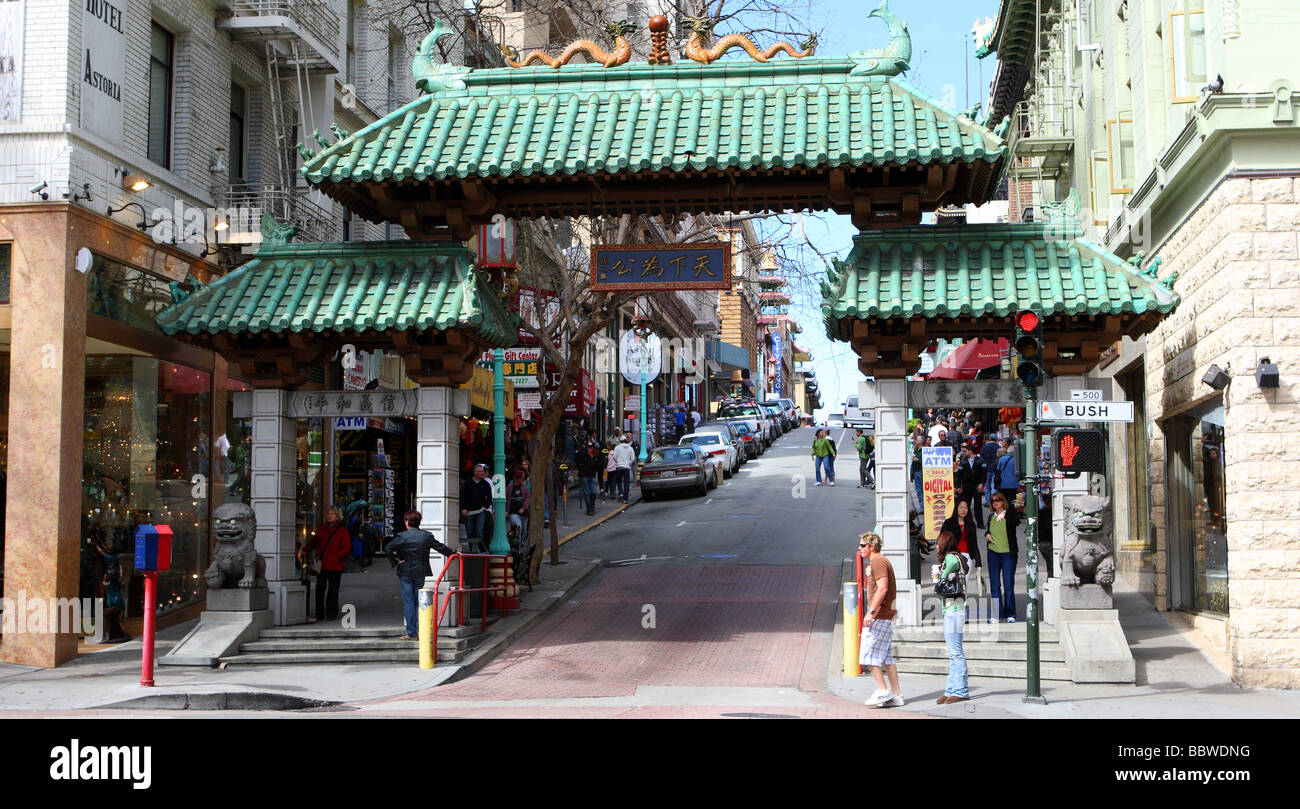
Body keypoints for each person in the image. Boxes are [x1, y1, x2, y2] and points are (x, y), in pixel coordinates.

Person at [385, 509, 456, 639]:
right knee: (420, 601)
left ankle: (412, 632)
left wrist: (395, 561)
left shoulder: (402, 536)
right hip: (420, 571)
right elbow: (441, 548)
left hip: (405, 570)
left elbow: (388, 548)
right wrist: (454, 553)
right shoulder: (426, 536)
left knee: (409, 601)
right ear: (419, 522)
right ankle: (421, 631)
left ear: (406, 522)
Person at [859, 532, 904, 707]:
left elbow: (883, 588)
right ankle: (897, 695)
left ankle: (883, 690)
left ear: (872, 546)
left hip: (880, 615)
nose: (860, 549)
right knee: (887, 657)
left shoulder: (877, 561)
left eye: (863, 545)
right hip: (885, 614)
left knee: (868, 655)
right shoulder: (879, 562)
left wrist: (871, 612)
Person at [934, 530, 970, 703]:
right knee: (953, 652)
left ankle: (960, 690)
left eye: (938, 542)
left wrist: (937, 575)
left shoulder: (950, 558)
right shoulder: (958, 557)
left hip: (953, 610)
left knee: (955, 652)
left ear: (944, 543)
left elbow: (941, 578)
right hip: (955, 609)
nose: (936, 546)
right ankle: (951, 689)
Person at [300, 505, 350, 622]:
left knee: (333, 590)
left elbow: (346, 548)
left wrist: (339, 556)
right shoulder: (322, 529)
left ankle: (331, 614)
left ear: (337, 517)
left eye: (332, 514)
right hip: (322, 565)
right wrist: (304, 550)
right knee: (320, 588)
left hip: (335, 565)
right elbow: (314, 542)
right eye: (328, 513)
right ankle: (319, 614)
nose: (329, 516)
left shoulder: (342, 531)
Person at [985, 492, 1019, 622]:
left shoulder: (1009, 515)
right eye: (993, 501)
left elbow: (1016, 521)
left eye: (998, 500)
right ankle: (996, 615)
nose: (995, 502)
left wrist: (1005, 512)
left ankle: (1010, 613)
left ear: (1003, 501)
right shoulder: (990, 517)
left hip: (1008, 554)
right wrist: (987, 535)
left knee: (1008, 584)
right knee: (995, 585)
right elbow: (989, 531)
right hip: (993, 553)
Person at [940, 498, 982, 594]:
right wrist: (942, 557)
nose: (963, 510)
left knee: (963, 586)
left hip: (966, 558)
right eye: (961, 507)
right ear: (956, 508)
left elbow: (974, 543)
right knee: (951, 584)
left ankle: (962, 606)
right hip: (952, 557)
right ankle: (952, 606)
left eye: (966, 508)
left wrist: (978, 561)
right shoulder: (949, 523)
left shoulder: (971, 524)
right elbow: (942, 540)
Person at [459, 464, 494, 547]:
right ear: (475, 472)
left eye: (483, 471)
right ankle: (471, 549)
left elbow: (489, 497)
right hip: (469, 512)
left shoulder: (486, 484)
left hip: (481, 511)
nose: (483, 473)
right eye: (480, 471)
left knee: (479, 532)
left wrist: (486, 506)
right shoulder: (467, 483)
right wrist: (463, 508)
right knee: (470, 531)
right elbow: (462, 496)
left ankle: (478, 550)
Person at [994, 445, 1020, 541]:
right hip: (1014, 485)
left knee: (1003, 502)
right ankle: (1012, 516)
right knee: (1013, 501)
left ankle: (1003, 516)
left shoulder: (1002, 459)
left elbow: (999, 470)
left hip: (1003, 485)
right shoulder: (1016, 460)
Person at [957, 444, 986, 529]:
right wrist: (958, 486)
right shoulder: (963, 461)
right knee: (966, 505)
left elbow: (984, 473)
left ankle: (980, 523)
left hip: (977, 485)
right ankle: (967, 522)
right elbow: (959, 474)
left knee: (978, 505)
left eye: (965, 451)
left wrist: (982, 483)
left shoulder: (980, 460)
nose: (964, 453)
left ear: (970, 451)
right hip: (967, 485)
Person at [575, 441, 602, 516]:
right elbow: (577, 460)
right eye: (596, 449)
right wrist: (581, 469)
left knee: (593, 492)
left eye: (598, 449)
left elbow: (599, 465)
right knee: (587, 493)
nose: (597, 451)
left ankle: (592, 508)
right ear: (592, 448)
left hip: (592, 475)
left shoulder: (596, 456)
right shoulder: (584, 453)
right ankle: (589, 509)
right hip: (584, 475)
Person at [505, 468, 531, 545]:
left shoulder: (525, 488)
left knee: (524, 530)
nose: (518, 479)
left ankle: (521, 542)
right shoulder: (509, 487)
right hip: (513, 512)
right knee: (518, 527)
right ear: (513, 478)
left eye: (519, 477)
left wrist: (523, 508)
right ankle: (517, 545)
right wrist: (506, 511)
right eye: (516, 477)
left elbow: (528, 499)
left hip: (524, 514)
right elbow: (506, 499)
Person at [611, 435, 636, 503]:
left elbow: (614, 457)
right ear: (626, 441)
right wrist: (628, 463)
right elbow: (633, 458)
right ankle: (625, 498)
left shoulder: (617, 447)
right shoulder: (630, 448)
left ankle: (621, 493)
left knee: (619, 481)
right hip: (626, 467)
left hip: (619, 467)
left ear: (620, 441)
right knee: (626, 483)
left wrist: (617, 462)